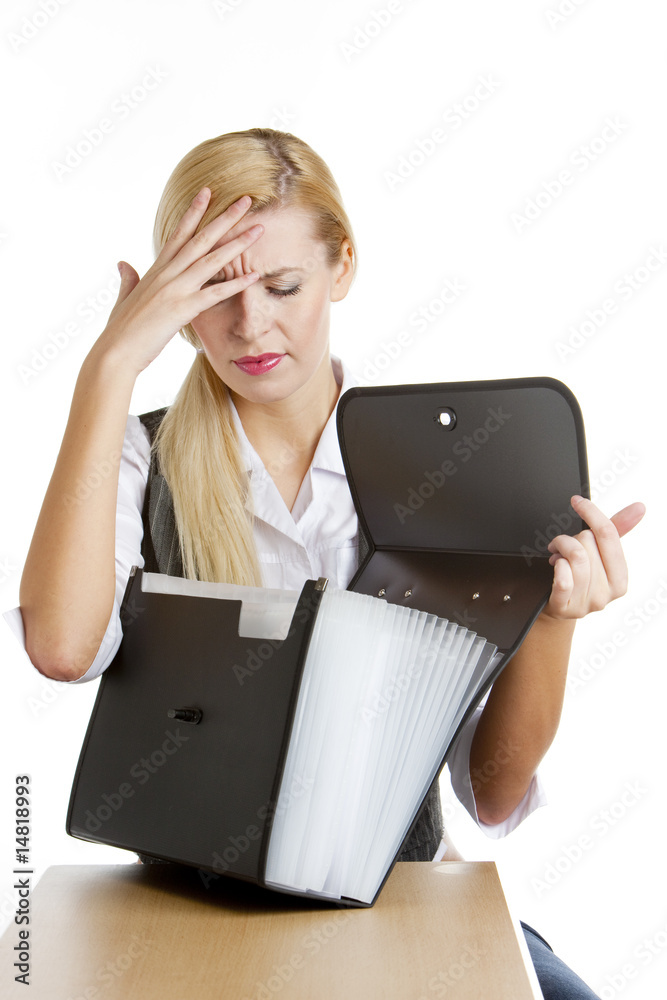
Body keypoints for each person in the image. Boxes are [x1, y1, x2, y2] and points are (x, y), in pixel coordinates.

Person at [12, 128, 645, 998]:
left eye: (281, 286)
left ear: (341, 267)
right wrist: (110, 364)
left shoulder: (440, 471)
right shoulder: (134, 458)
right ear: (173, 297)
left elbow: (492, 794)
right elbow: (61, 648)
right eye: (215, 289)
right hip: (189, 910)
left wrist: (554, 621)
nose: (249, 325)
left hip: (400, 900)